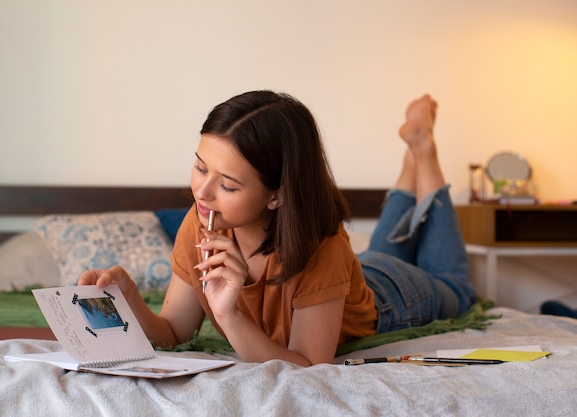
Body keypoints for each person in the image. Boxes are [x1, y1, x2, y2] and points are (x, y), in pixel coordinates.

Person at [79, 91, 476, 366]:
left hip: (392, 297)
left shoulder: (322, 247)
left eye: (228, 185)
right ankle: (411, 165)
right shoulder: (200, 221)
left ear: (277, 195)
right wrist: (128, 298)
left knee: (454, 284)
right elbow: (174, 332)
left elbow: (305, 366)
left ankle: (423, 153)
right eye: (200, 166)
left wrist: (230, 315)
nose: (201, 191)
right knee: (383, 251)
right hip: (349, 276)